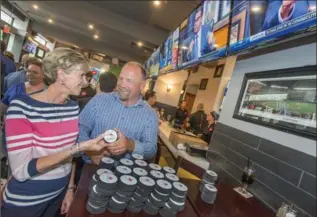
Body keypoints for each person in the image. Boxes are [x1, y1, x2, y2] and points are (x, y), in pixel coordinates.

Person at [1, 47, 109, 217]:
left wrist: (69, 188)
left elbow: (68, 155)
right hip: (26, 200)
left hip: (57, 195)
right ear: (61, 75)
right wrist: (79, 148)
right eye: (81, 75)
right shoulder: (22, 108)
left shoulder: (72, 107)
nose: (86, 82)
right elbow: (21, 170)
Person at [79, 61, 158, 165]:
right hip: (92, 167)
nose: (122, 84)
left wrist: (130, 144)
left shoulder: (150, 115)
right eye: (121, 78)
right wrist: (90, 152)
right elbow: (80, 127)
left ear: (142, 86)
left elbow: (151, 150)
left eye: (129, 80)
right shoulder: (99, 100)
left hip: (127, 176)